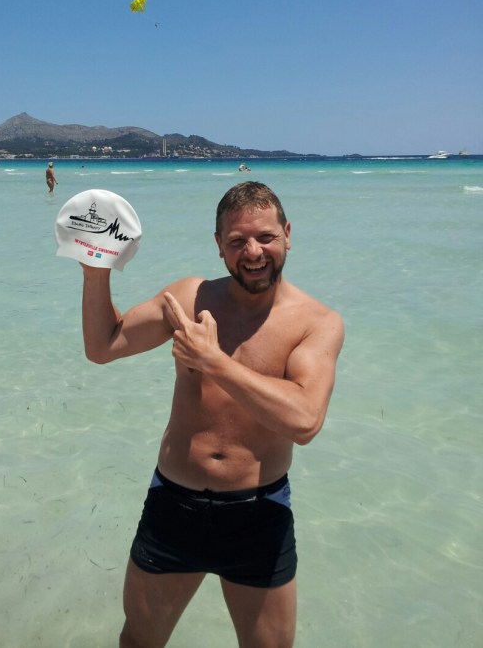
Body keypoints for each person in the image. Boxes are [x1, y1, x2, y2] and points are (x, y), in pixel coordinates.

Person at [80, 181, 344, 648]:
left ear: (287, 234)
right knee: (139, 641)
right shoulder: (190, 297)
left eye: (265, 237)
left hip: (259, 513)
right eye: (238, 241)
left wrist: (214, 361)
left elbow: (305, 421)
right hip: (174, 505)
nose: (254, 251)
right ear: (219, 247)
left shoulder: (316, 322)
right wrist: (96, 269)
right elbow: (103, 346)